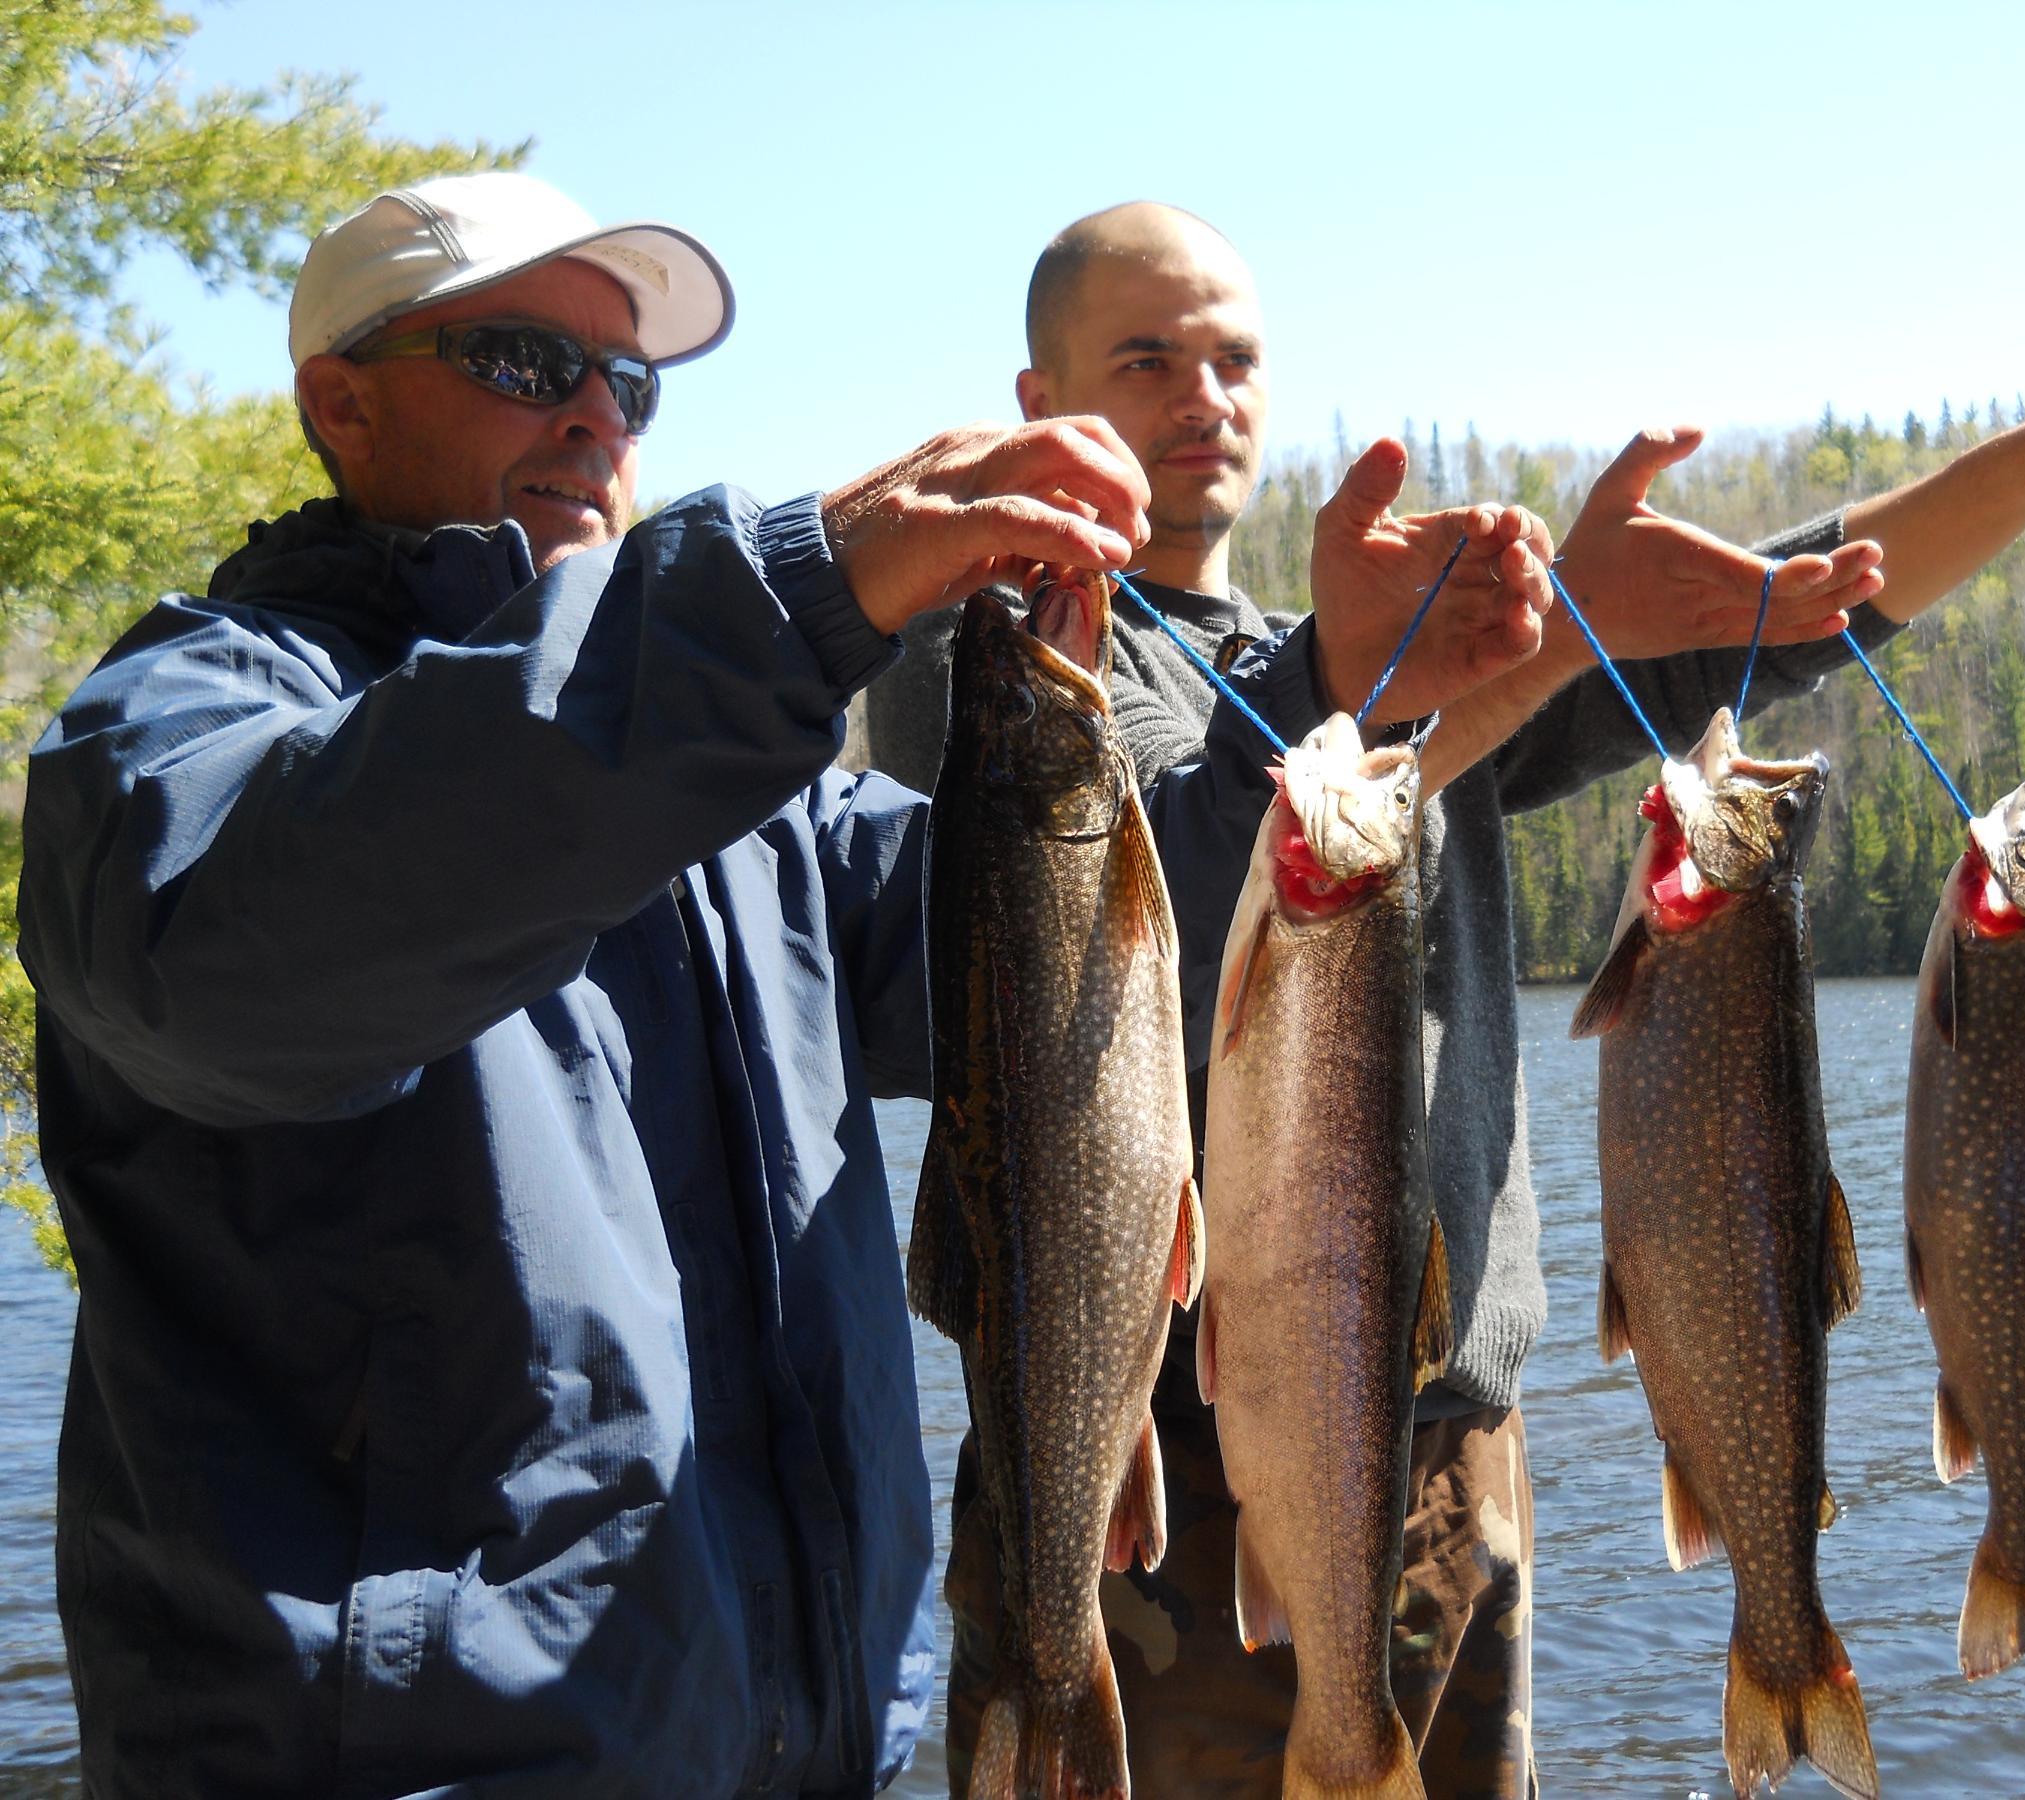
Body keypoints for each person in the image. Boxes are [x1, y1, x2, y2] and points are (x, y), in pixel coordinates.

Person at [13, 173, 1550, 1799]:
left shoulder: (744, 792)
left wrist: (1315, 696)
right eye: (528, 361)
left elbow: (1044, 945)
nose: (598, 418)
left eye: (631, 382)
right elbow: (283, 934)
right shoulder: (184, 730)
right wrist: (800, 587)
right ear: (342, 400)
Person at [871, 201, 2025, 1800]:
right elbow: (1176, 856)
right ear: (1042, 401)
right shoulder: (985, 655)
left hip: (1446, 1460)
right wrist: (1417, 670)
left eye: (1236, 358)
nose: (1207, 396)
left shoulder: (1394, 652)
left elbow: (1799, 609)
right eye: (1147, 357)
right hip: (1122, 1448)